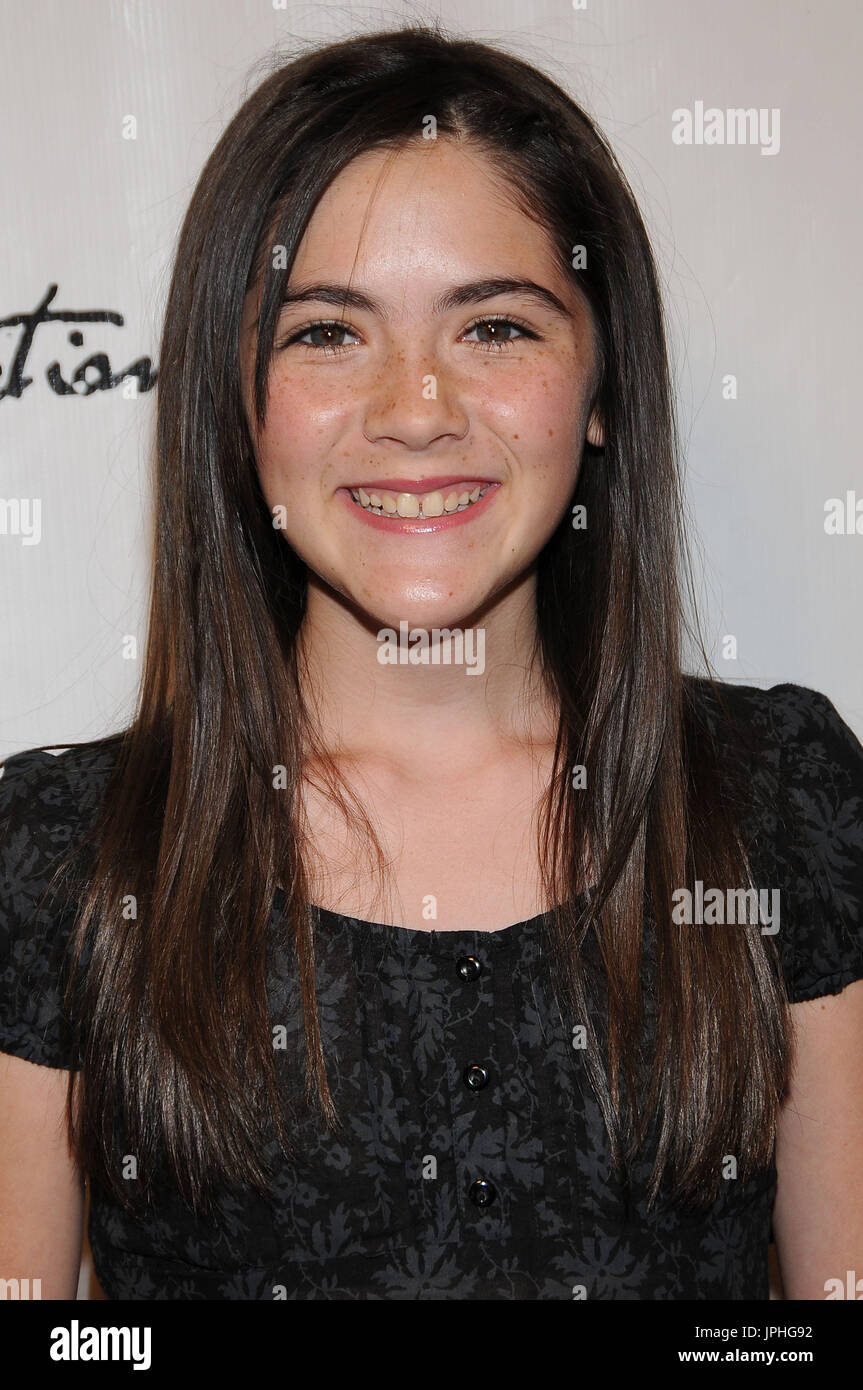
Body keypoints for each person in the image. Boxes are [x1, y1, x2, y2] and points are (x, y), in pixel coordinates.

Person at [1, 24, 861, 1302]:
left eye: (497, 328)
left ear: (602, 382)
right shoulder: (63, 852)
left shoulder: (773, 801)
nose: (415, 407)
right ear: (235, 405)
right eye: (326, 335)